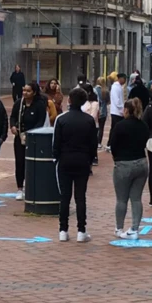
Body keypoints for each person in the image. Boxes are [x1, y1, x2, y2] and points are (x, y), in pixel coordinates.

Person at [53, 88, 97, 243]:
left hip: (65, 160)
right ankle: (81, 231)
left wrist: (56, 158)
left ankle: (63, 230)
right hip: (83, 160)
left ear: (69, 100)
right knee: (80, 197)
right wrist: (90, 160)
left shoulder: (61, 119)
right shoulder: (89, 120)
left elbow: (56, 143)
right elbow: (93, 144)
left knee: (64, 196)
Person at [111, 99, 149, 240]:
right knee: (136, 198)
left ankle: (119, 228)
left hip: (123, 163)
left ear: (126, 110)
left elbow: (113, 145)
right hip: (141, 162)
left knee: (121, 199)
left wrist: (117, 158)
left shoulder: (120, 126)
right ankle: (134, 228)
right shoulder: (143, 125)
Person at [10, 83, 47, 200]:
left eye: (28, 91)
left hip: (33, 138)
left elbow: (40, 122)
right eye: (24, 90)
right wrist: (13, 126)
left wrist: (30, 133)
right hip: (19, 137)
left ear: (34, 92)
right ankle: (19, 188)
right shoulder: (19, 103)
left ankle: (31, 186)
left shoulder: (39, 105)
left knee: (32, 163)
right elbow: (12, 117)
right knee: (19, 162)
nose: (25, 93)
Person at [81, 84, 100, 166]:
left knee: (92, 142)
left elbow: (93, 115)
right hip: (82, 125)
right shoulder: (83, 102)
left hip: (93, 126)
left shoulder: (94, 103)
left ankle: (94, 157)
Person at [108, 73, 127, 151]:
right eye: (124, 79)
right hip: (116, 112)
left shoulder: (119, 87)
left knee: (115, 128)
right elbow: (117, 101)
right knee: (115, 128)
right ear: (120, 78)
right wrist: (122, 109)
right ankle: (111, 144)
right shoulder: (115, 87)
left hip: (118, 111)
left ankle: (112, 143)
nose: (125, 81)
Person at [95, 77, 110, 149]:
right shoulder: (106, 91)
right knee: (101, 128)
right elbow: (108, 102)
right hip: (103, 111)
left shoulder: (94, 90)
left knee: (95, 127)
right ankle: (99, 143)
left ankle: (94, 141)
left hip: (95, 111)